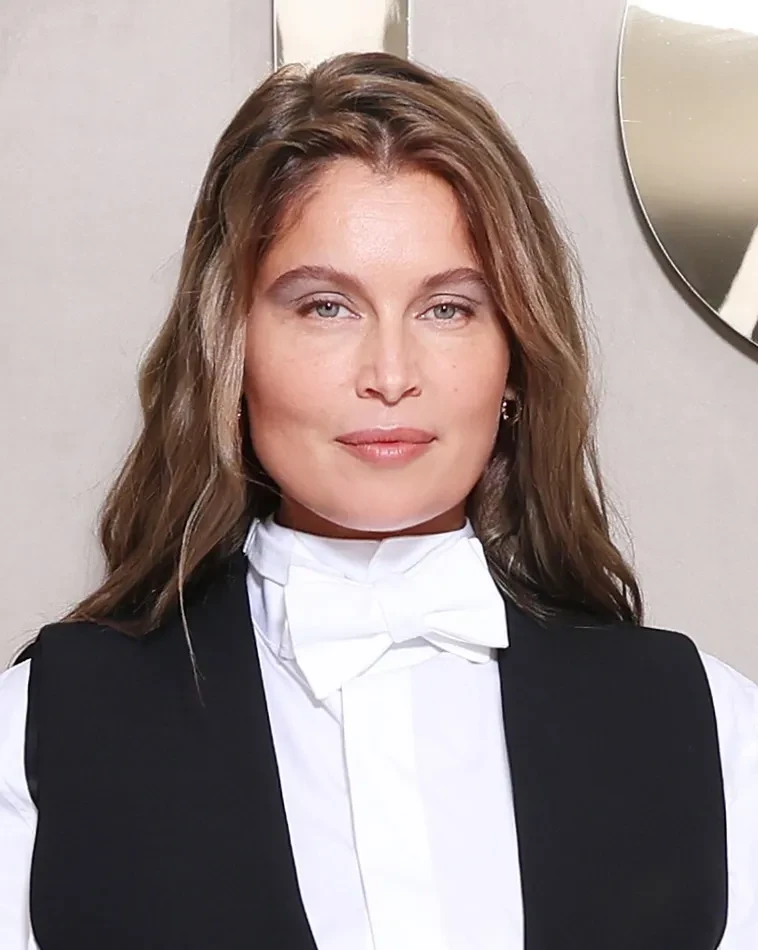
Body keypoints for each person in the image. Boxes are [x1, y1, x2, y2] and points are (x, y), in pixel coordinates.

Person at [0, 51, 756, 950]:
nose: (390, 375)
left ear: (515, 358)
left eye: (448, 309)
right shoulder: (41, 729)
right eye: (326, 306)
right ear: (229, 348)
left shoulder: (709, 728)